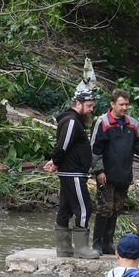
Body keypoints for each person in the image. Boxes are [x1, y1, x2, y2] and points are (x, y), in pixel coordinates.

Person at [90, 88, 139, 255]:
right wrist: (99, 171)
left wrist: (134, 148)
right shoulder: (102, 122)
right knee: (104, 208)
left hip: (124, 174)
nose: (124, 108)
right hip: (106, 174)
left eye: (126, 104)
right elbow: (95, 149)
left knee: (116, 209)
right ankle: (97, 243)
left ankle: (108, 243)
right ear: (112, 104)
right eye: (121, 104)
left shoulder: (132, 122)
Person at [43, 88, 99, 258]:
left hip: (72, 172)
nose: (91, 109)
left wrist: (56, 162)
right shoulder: (72, 121)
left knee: (66, 208)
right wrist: (56, 162)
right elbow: (62, 145)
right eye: (89, 106)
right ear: (78, 104)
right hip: (73, 173)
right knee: (84, 208)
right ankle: (82, 249)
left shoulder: (74, 120)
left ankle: (64, 248)